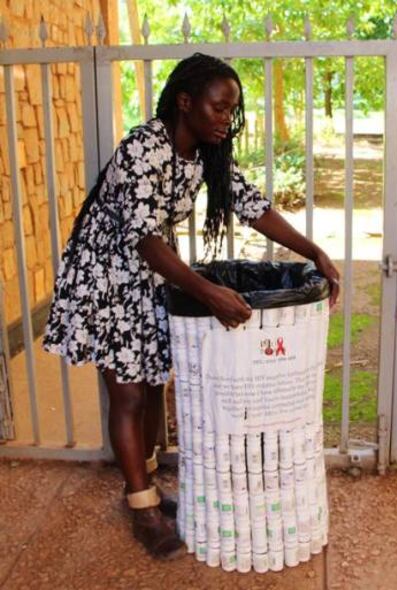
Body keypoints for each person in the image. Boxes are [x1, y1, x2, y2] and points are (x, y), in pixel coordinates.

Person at [43, 52, 340, 561]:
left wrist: (312, 250)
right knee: (130, 395)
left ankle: (148, 489)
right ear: (186, 102)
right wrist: (207, 293)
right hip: (107, 277)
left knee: (153, 386)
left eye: (232, 110)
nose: (228, 119)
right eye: (219, 108)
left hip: (152, 275)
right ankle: (142, 510)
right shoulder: (145, 145)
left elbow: (253, 206)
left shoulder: (205, 154)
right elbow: (140, 236)